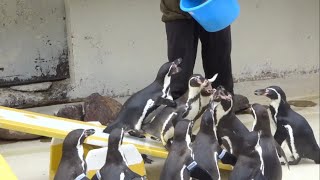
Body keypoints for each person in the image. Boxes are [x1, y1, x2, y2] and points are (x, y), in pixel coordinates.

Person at [160, 0, 249, 113]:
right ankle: (178, 107)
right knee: (181, 61)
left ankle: (223, 101)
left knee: (218, 53)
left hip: (213, 6)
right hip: (178, 9)